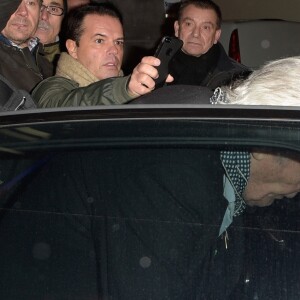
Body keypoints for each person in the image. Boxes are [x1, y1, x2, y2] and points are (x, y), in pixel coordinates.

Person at [32, 3, 173, 107]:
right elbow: (63, 106)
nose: (114, 50)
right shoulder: (50, 89)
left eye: (118, 42)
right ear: (73, 48)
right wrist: (125, 89)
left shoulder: (133, 91)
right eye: (99, 41)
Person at [166, 0, 250, 89]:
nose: (195, 34)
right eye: (188, 24)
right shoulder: (154, 69)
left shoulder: (240, 80)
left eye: (206, 27)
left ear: (216, 36)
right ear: (177, 28)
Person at [0, 0, 54, 93]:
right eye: (14, 2)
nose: (23, 12)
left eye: (30, 3)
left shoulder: (48, 65)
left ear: (39, 12)